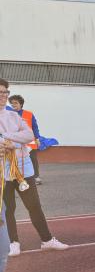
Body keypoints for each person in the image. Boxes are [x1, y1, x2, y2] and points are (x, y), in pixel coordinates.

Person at [0, 79, 68, 257]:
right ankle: (13, 242)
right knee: (8, 208)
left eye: (5, 92)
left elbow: (29, 134)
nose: (3, 95)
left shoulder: (13, 115)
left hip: (23, 169)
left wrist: (7, 139)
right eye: (0, 92)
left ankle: (47, 239)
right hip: (2, 172)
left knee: (34, 206)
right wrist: (13, 139)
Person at [8, 95, 42, 185]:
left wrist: (37, 138)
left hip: (29, 140)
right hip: (16, 141)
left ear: (21, 104)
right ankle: (18, 177)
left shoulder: (29, 114)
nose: (13, 105)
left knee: (33, 158)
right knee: (16, 159)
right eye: (12, 103)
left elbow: (35, 127)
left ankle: (36, 177)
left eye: (15, 103)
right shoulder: (9, 115)